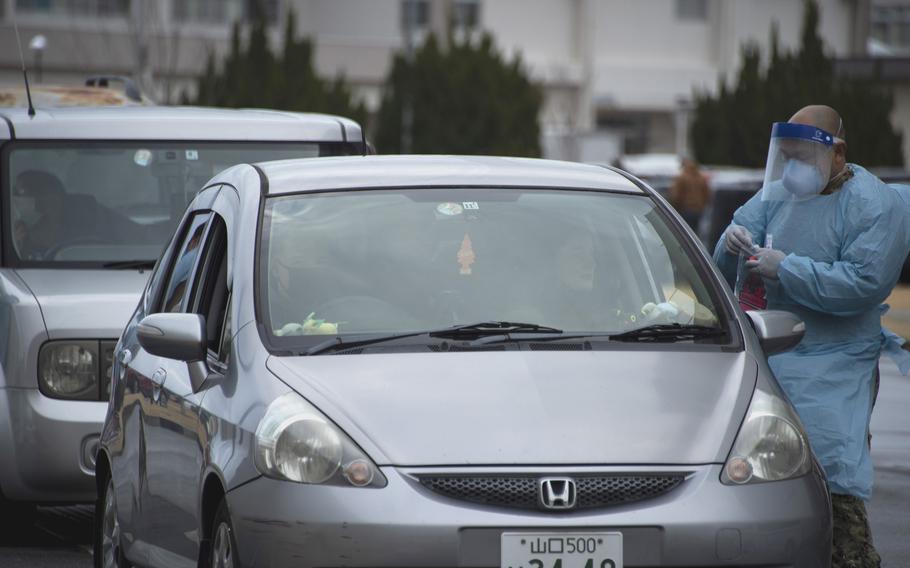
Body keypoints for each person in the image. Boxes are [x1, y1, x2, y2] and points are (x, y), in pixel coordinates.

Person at [713, 105, 910, 568]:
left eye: (803, 156)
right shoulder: (777, 196)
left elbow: (863, 284)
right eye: (787, 156)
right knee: (762, 476)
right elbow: (724, 267)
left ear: (837, 152)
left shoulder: (872, 204)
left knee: (831, 477)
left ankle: (852, 557)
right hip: (771, 354)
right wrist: (731, 242)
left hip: (836, 361)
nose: (793, 168)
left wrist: (787, 268)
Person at [668, 158, 710, 232]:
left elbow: (675, 196)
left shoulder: (681, 178)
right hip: (698, 211)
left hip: (684, 210)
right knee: (695, 233)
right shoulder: (701, 178)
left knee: (683, 233)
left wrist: (675, 208)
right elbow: (707, 195)